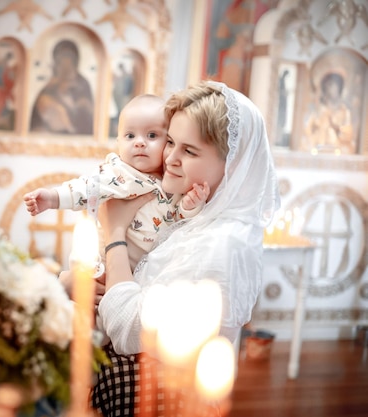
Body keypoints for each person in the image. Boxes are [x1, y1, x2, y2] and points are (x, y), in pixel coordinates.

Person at [61, 80, 279, 416]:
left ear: (232, 164)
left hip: (161, 398)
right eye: (171, 142)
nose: (170, 158)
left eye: (189, 151)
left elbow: (128, 328)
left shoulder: (224, 242)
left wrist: (115, 231)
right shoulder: (193, 212)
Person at [23, 94, 209, 272]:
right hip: (109, 257)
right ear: (119, 141)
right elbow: (87, 189)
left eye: (152, 135)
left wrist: (190, 206)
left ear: (168, 140)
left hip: (149, 263)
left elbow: (179, 221)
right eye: (130, 136)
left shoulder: (172, 180)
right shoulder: (119, 172)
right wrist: (52, 198)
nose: (139, 143)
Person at [29, 39, 94, 135]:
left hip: (78, 135)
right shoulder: (51, 84)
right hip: (51, 134)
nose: (66, 68)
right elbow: (37, 117)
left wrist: (84, 105)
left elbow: (89, 115)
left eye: (69, 61)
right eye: (62, 62)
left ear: (75, 62)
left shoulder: (83, 84)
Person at [304, 71, 354, 154]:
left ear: (339, 88)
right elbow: (308, 130)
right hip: (317, 151)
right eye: (328, 85)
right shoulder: (318, 110)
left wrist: (335, 127)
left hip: (337, 152)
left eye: (333, 85)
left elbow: (347, 135)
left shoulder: (344, 112)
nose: (330, 89)